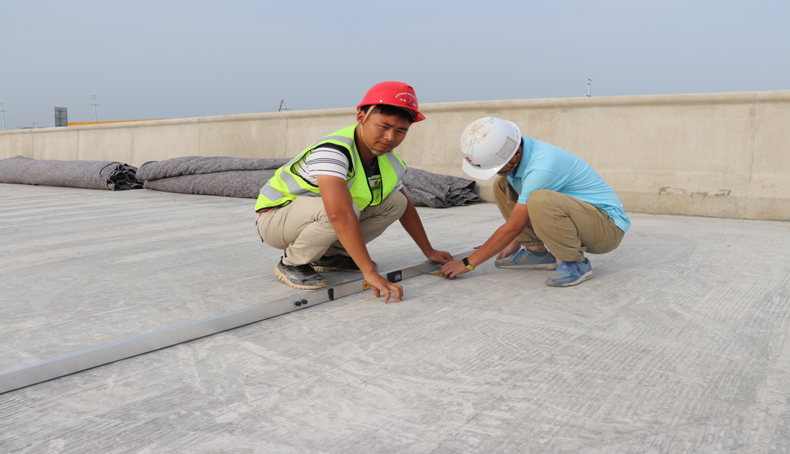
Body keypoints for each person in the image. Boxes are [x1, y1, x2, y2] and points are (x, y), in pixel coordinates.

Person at [255, 81, 452, 302]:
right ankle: (292, 263)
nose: (390, 137)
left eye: (400, 131)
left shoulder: (388, 160)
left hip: (318, 217)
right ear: (361, 117)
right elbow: (338, 213)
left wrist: (429, 251)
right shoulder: (334, 151)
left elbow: (406, 209)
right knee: (340, 210)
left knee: (397, 201)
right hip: (275, 219)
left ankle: (331, 255)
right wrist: (370, 272)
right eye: (384, 126)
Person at [440, 116, 630, 286]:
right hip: (585, 218)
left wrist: (467, 264)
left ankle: (576, 263)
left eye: (497, 167)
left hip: (607, 229)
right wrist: (519, 239)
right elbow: (519, 216)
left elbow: (513, 226)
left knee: (540, 200)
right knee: (502, 185)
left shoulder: (542, 167)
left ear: (515, 154)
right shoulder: (521, 154)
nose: (496, 171)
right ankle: (536, 252)